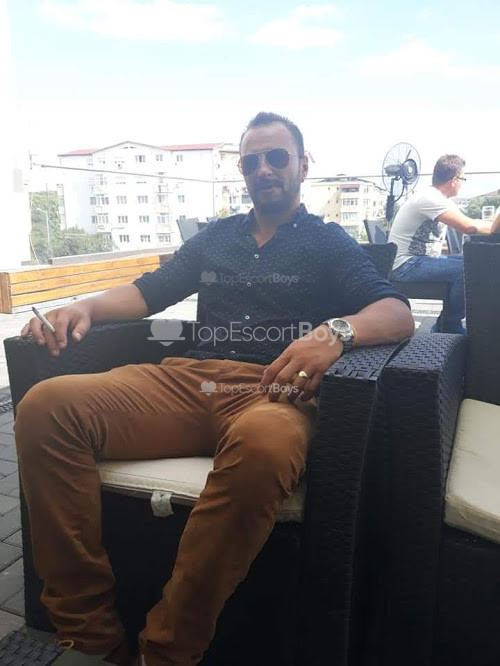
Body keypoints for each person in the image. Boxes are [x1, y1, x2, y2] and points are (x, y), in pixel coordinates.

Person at [15, 112, 414, 666]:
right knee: (46, 407)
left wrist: (336, 333)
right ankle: (88, 636)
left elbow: (396, 311)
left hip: (273, 390)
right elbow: (150, 291)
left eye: (277, 157)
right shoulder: (218, 237)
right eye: (251, 162)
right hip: (189, 380)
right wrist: (85, 306)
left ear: (303, 165)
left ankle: (167, 650)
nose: (263, 169)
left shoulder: (328, 241)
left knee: (265, 448)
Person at [389, 154, 497, 334]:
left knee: (473, 261)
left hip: (421, 261)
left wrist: (493, 225)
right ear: (454, 180)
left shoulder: (441, 199)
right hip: (405, 265)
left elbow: (471, 221)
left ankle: (449, 324)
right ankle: (448, 326)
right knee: (468, 268)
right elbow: (469, 227)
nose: (463, 184)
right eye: (463, 179)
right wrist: (494, 228)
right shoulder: (429, 198)